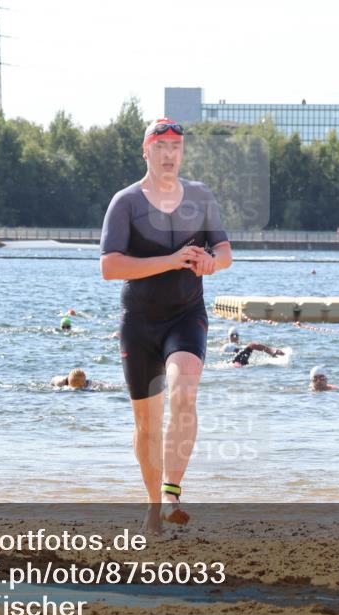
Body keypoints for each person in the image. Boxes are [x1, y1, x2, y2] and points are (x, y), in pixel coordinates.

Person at [100, 118, 232, 528]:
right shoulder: (125, 202)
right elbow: (110, 267)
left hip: (185, 315)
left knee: (184, 392)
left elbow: (225, 252)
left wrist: (211, 263)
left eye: (176, 147)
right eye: (161, 147)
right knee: (147, 424)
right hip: (139, 322)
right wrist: (172, 261)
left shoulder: (201, 196)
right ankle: (153, 505)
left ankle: (172, 491)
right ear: (146, 151)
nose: (169, 154)